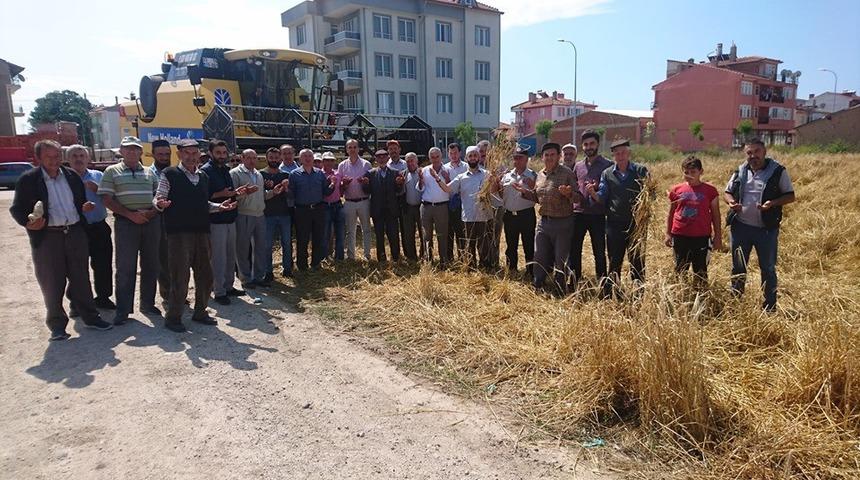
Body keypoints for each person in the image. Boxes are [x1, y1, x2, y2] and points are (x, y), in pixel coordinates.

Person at [10, 139, 112, 340]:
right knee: (52, 281)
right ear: (38, 158)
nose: (54, 160)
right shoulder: (29, 179)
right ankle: (57, 325)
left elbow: (79, 200)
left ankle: (90, 317)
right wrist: (28, 222)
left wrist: (84, 207)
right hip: (48, 236)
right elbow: (17, 208)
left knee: (81, 278)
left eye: (57, 156)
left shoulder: (71, 176)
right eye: (49, 157)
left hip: (74, 232)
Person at [153, 139, 238, 332]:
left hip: (201, 231)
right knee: (180, 276)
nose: (191, 157)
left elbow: (204, 204)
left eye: (194, 153)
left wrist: (220, 207)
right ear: (179, 154)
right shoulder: (170, 174)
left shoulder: (203, 177)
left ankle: (200, 312)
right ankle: (173, 318)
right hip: (179, 234)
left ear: (199, 155)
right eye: (187, 153)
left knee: (205, 275)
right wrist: (160, 203)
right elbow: (158, 198)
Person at [724, 138, 795, 311]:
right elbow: (727, 192)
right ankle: (736, 302)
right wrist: (732, 203)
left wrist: (772, 203)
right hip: (740, 228)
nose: (753, 156)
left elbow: (790, 196)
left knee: (768, 268)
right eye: (749, 152)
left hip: (766, 230)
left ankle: (769, 306)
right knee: (738, 266)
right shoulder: (740, 171)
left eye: (756, 152)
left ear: (764, 152)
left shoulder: (778, 171)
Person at [98, 136, 161, 325]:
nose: (132, 152)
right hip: (126, 223)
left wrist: (151, 213)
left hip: (150, 222)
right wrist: (130, 215)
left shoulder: (150, 172)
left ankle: (147, 304)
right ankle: (123, 310)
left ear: (141, 152)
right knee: (126, 268)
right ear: (122, 152)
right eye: (128, 149)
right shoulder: (112, 171)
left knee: (151, 265)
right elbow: (107, 199)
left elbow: (158, 196)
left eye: (136, 149)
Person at [513, 143, 581, 294]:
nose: (549, 158)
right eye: (546, 155)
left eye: (552, 155)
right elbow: (538, 198)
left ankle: (559, 288)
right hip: (544, 223)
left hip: (563, 223)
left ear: (558, 156)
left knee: (560, 258)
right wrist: (525, 192)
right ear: (542, 157)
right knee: (540, 255)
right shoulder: (540, 175)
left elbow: (578, 198)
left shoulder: (567, 173)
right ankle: (538, 285)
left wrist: (569, 194)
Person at [586, 138, 651, 296]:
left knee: (637, 260)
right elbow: (603, 195)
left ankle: (638, 294)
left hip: (637, 224)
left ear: (629, 153)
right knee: (615, 260)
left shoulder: (641, 171)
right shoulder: (607, 174)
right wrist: (593, 194)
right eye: (617, 153)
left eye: (623, 152)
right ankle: (613, 293)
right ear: (613, 155)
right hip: (614, 223)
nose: (620, 155)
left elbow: (651, 194)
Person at [200, 139, 251, 306]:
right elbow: (203, 197)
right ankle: (219, 291)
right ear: (210, 153)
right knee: (218, 258)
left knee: (230, 256)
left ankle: (228, 286)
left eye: (224, 153)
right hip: (216, 221)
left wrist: (238, 192)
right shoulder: (205, 171)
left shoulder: (225, 170)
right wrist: (220, 193)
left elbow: (228, 193)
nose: (222, 156)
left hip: (230, 218)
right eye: (218, 153)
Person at [67, 145, 115, 310]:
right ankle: (76, 302)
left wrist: (98, 190)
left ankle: (103, 297)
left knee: (103, 263)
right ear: (68, 159)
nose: (79, 159)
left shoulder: (99, 176)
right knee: (77, 266)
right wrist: (80, 208)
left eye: (82, 155)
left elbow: (111, 197)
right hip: (76, 228)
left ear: (88, 159)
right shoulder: (64, 178)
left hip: (99, 227)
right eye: (74, 156)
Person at [665, 155, 722, 287]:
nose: (689, 175)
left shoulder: (710, 191)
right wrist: (668, 233)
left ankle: (701, 298)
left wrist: (718, 237)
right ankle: (681, 296)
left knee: (701, 271)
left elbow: (716, 215)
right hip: (680, 235)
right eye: (686, 172)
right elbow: (671, 213)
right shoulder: (676, 190)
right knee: (680, 269)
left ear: (701, 172)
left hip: (701, 236)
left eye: (693, 172)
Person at [437, 146, 493, 269]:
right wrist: (437, 179)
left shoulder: (487, 175)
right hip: (468, 217)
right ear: (466, 158)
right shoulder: (461, 177)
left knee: (483, 244)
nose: (473, 158)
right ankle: (471, 268)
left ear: (478, 157)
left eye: (475, 155)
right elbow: (448, 189)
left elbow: (493, 192)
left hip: (483, 216)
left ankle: (485, 267)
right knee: (469, 244)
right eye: (470, 156)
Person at [569, 130, 612, 289]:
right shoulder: (578, 166)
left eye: (592, 143)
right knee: (574, 250)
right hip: (578, 213)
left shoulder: (608, 166)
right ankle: (573, 283)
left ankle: (603, 285)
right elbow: (574, 187)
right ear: (582, 146)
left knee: (599, 252)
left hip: (598, 214)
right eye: (586, 144)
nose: (589, 147)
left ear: (598, 144)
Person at [287, 149, 334, 270]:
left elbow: (325, 192)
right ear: (300, 159)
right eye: (305, 156)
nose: (308, 158)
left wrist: (333, 185)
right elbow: (291, 194)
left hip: (318, 209)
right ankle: (302, 265)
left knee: (318, 237)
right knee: (302, 238)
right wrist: (286, 189)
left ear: (313, 158)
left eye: (310, 156)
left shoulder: (319, 174)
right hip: (302, 210)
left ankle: (315, 263)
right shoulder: (294, 174)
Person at [231, 149, 270, 288]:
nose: (252, 160)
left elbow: (261, 195)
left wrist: (273, 192)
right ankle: (245, 278)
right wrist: (244, 193)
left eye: (254, 158)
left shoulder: (258, 174)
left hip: (259, 214)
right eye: (249, 158)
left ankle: (259, 277)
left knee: (260, 247)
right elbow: (232, 196)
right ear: (242, 158)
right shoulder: (235, 173)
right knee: (242, 248)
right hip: (244, 214)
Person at [496, 145, 537, 276]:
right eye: (515, 158)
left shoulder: (533, 176)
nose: (517, 160)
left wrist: (532, 186)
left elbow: (539, 196)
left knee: (529, 244)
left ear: (526, 159)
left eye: (520, 158)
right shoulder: (506, 175)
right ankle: (512, 269)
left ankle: (531, 271)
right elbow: (502, 194)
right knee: (511, 244)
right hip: (509, 216)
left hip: (526, 215)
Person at [364, 149, 405, 262]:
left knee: (394, 235)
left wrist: (399, 184)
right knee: (379, 236)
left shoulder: (395, 172)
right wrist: (365, 184)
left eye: (384, 157)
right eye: (379, 157)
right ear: (376, 160)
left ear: (388, 158)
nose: (381, 159)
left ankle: (396, 257)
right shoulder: (370, 173)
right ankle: (381, 259)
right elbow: (367, 191)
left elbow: (398, 190)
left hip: (391, 209)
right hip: (378, 210)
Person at [260, 147, 293, 280]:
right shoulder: (261, 175)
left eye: (276, 158)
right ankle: (268, 271)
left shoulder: (285, 175)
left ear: (280, 159)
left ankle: (287, 269)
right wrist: (269, 189)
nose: (274, 160)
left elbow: (291, 196)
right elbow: (259, 195)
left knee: (287, 243)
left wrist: (286, 188)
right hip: (268, 215)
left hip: (284, 214)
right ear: (266, 158)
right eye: (271, 157)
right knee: (268, 245)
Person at [337, 139, 373, 260]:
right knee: (350, 230)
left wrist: (366, 182)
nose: (352, 150)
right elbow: (340, 186)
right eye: (350, 147)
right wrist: (344, 184)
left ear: (358, 149)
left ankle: (367, 255)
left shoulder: (366, 164)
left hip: (364, 200)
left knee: (366, 229)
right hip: (349, 201)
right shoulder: (342, 165)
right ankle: (351, 256)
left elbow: (370, 184)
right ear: (346, 150)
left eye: (354, 147)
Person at [149, 139, 174, 305]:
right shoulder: (149, 174)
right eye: (161, 154)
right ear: (153, 154)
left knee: (175, 258)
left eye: (167, 154)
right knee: (162, 259)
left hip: (176, 221)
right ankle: (167, 294)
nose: (164, 157)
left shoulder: (176, 172)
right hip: (156, 220)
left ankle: (176, 291)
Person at [417, 147, 450, 264]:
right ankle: (428, 261)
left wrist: (446, 178)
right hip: (426, 207)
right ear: (429, 158)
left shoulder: (447, 169)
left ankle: (443, 261)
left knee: (442, 235)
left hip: (442, 207)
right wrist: (420, 179)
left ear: (441, 156)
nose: (435, 159)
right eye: (432, 157)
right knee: (427, 235)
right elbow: (420, 188)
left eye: (437, 157)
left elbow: (451, 188)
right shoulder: (425, 170)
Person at [444, 143, 467, 262]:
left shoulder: (466, 167)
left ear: (460, 153)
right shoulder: (444, 168)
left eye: (455, 153)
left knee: (461, 233)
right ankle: (449, 258)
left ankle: (462, 258)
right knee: (448, 232)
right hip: (448, 204)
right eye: (451, 153)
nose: (453, 155)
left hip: (462, 204)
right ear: (448, 154)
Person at [321, 152, 345, 262]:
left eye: (331, 160)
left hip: (338, 204)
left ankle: (339, 257)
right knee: (326, 232)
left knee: (340, 232)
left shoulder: (338, 174)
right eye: (327, 160)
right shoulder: (319, 175)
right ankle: (325, 256)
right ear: (323, 162)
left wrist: (345, 185)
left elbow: (341, 191)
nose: (329, 162)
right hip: (325, 206)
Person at [401, 152, 424, 261]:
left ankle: (424, 256)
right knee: (408, 234)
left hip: (422, 207)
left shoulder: (424, 172)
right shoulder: (403, 175)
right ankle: (411, 257)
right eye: (408, 161)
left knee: (423, 233)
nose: (410, 163)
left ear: (416, 161)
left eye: (412, 160)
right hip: (408, 208)